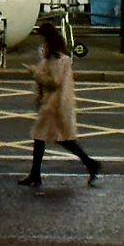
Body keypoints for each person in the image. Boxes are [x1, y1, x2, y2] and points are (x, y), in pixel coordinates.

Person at [20, 21, 101, 188]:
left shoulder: (57, 58)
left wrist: (35, 73)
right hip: (54, 104)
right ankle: (37, 173)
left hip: (54, 105)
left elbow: (55, 81)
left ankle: (89, 163)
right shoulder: (56, 56)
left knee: (49, 138)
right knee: (50, 138)